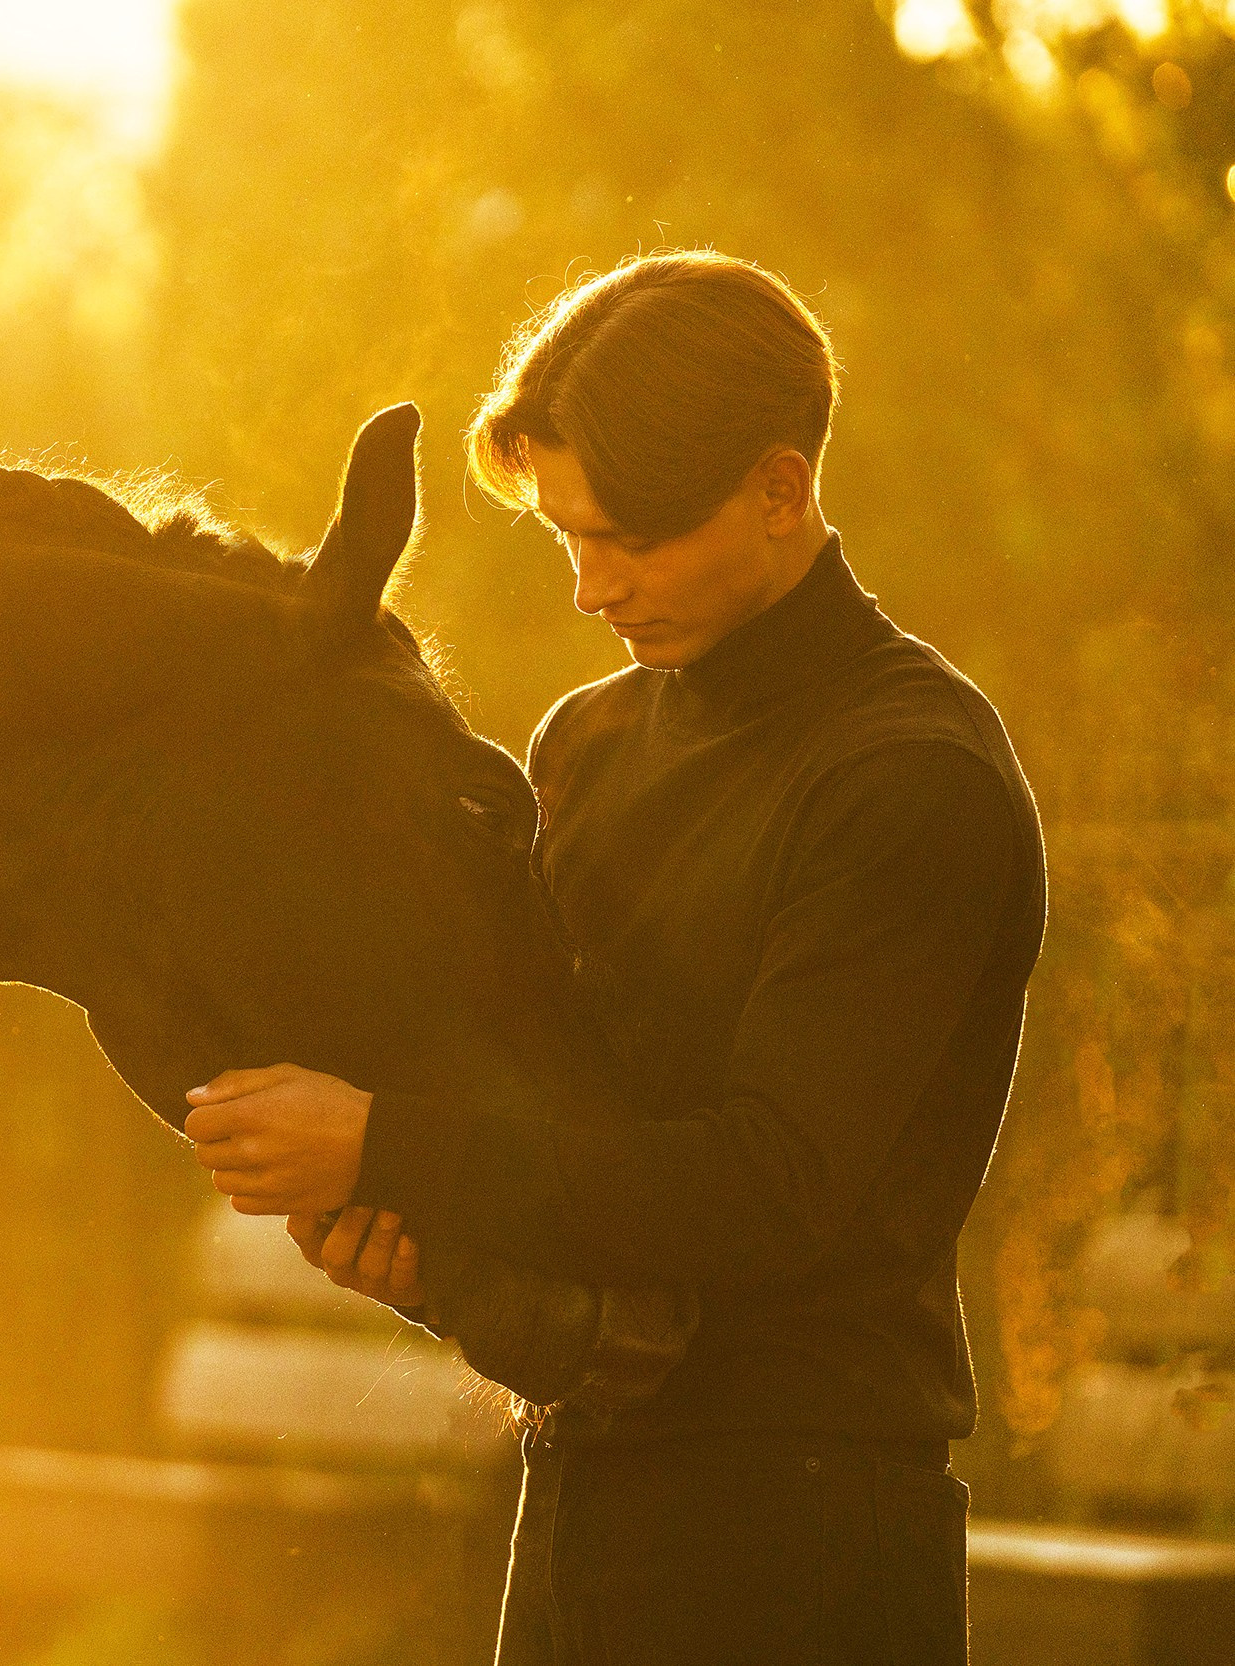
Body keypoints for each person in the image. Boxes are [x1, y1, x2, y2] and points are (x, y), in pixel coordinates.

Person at [182, 250, 1046, 1665]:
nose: (591, 587)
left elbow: (765, 1189)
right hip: (585, 1494)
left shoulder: (909, 776)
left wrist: (390, 1141)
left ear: (782, 490)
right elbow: (564, 1131)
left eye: (628, 539)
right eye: (567, 537)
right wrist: (421, 1250)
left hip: (808, 1522)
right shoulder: (585, 745)